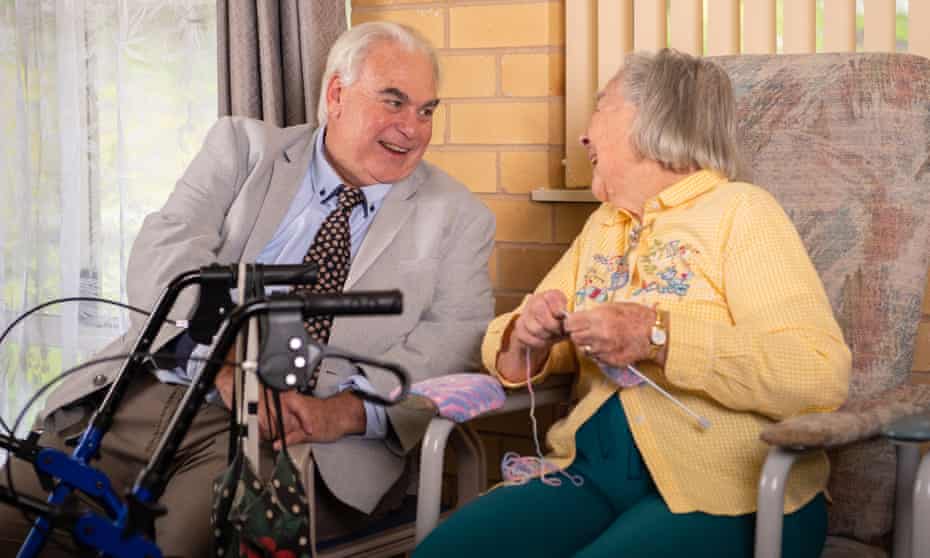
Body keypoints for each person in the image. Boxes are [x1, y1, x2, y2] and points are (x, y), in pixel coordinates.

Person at [0, 22, 494, 557]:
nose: (412, 129)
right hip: (143, 395)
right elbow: (162, 253)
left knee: (189, 546)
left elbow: (455, 341)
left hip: (289, 438)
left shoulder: (458, 216)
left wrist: (346, 412)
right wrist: (229, 358)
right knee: (13, 522)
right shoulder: (242, 149)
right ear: (337, 95)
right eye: (394, 103)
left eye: (426, 111)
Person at [415, 49, 850, 558]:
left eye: (601, 107)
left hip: (731, 495)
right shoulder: (605, 225)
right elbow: (515, 354)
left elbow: (818, 374)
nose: (584, 135)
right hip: (592, 477)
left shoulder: (742, 212)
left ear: (652, 119)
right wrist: (526, 336)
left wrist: (658, 338)